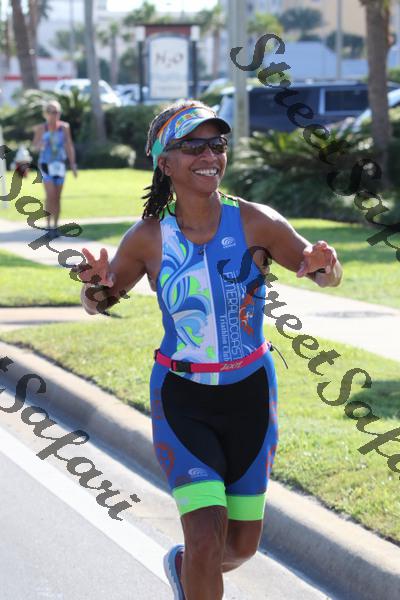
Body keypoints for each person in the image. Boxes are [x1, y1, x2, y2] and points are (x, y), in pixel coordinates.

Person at [78, 100, 342, 600]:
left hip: (250, 393)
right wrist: (93, 289)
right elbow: (100, 300)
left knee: (239, 548)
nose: (209, 155)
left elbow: (321, 271)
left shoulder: (256, 222)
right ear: (165, 163)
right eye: (192, 146)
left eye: (217, 144)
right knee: (204, 538)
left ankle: (186, 568)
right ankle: (195, 563)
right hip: (183, 396)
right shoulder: (149, 238)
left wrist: (327, 266)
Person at [32, 99, 77, 238]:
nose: (54, 114)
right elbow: (34, 146)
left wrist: (73, 164)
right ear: (46, 114)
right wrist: (40, 144)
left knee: (57, 197)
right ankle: (48, 226)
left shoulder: (64, 127)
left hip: (60, 165)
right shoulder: (41, 128)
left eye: (56, 111)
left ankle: (56, 227)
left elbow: (69, 145)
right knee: (50, 195)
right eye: (51, 112)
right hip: (46, 165)